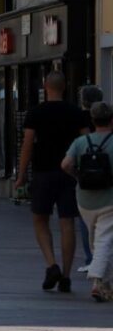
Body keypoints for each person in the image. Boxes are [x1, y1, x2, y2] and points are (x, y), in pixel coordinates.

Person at [15, 71, 89, 293]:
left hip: (43, 172)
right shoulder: (76, 113)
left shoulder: (36, 113)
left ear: (45, 86)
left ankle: (51, 264)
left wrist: (20, 175)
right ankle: (66, 275)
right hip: (70, 173)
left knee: (40, 220)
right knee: (67, 223)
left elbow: (27, 144)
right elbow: (86, 143)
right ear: (65, 87)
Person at [62, 101, 113, 301]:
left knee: (96, 239)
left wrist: (78, 177)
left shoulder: (81, 142)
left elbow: (65, 164)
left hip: (84, 199)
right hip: (109, 199)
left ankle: (104, 283)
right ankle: (98, 279)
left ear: (93, 121)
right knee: (104, 240)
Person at [77, 85, 105, 274]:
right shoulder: (107, 119)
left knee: (85, 218)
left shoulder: (79, 118)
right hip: (106, 174)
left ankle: (91, 258)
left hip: (85, 175)